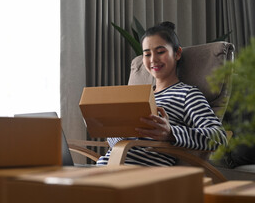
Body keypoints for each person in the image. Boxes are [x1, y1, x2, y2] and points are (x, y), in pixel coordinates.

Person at [97, 21, 228, 166]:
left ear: (177, 53)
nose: (153, 59)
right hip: (107, 166)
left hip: (140, 173)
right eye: (147, 54)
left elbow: (219, 138)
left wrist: (171, 133)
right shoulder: (135, 97)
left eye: (160, 52)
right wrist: (112, 128)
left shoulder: (187, 94)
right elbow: (116, 141)